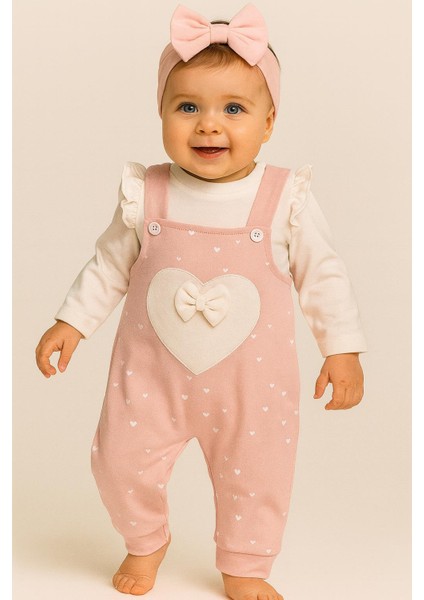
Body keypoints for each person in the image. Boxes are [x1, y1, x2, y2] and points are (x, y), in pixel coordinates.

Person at [35, 4, 366, 599]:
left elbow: (324, 274)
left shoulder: (284, 198)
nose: (209, 126)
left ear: (269, 121)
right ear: (160, 111)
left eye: (233, 109)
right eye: (187, 107)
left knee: (258, 475)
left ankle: (245, 564)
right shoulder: (147, 192)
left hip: (252, 387)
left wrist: (341, 348)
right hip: (149, 378)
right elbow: (108, 264)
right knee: (117, 461)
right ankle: (145, 538)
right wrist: (71, 322)